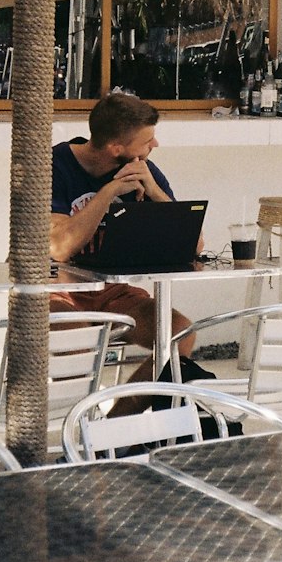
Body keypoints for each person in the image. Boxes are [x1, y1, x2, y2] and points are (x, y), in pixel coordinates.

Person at [50, 91, 197, 398]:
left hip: (115, 291)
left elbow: (194, 246)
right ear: (116, 148)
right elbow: (60, 248)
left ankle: (114, 429)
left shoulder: (144, 169)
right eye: (147, 141)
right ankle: (79, 430)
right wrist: (110, 190)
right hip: (58, 289)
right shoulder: (54, 165)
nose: (154, 146)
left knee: (180, 334)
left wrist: (155, 192)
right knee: (77, 342)